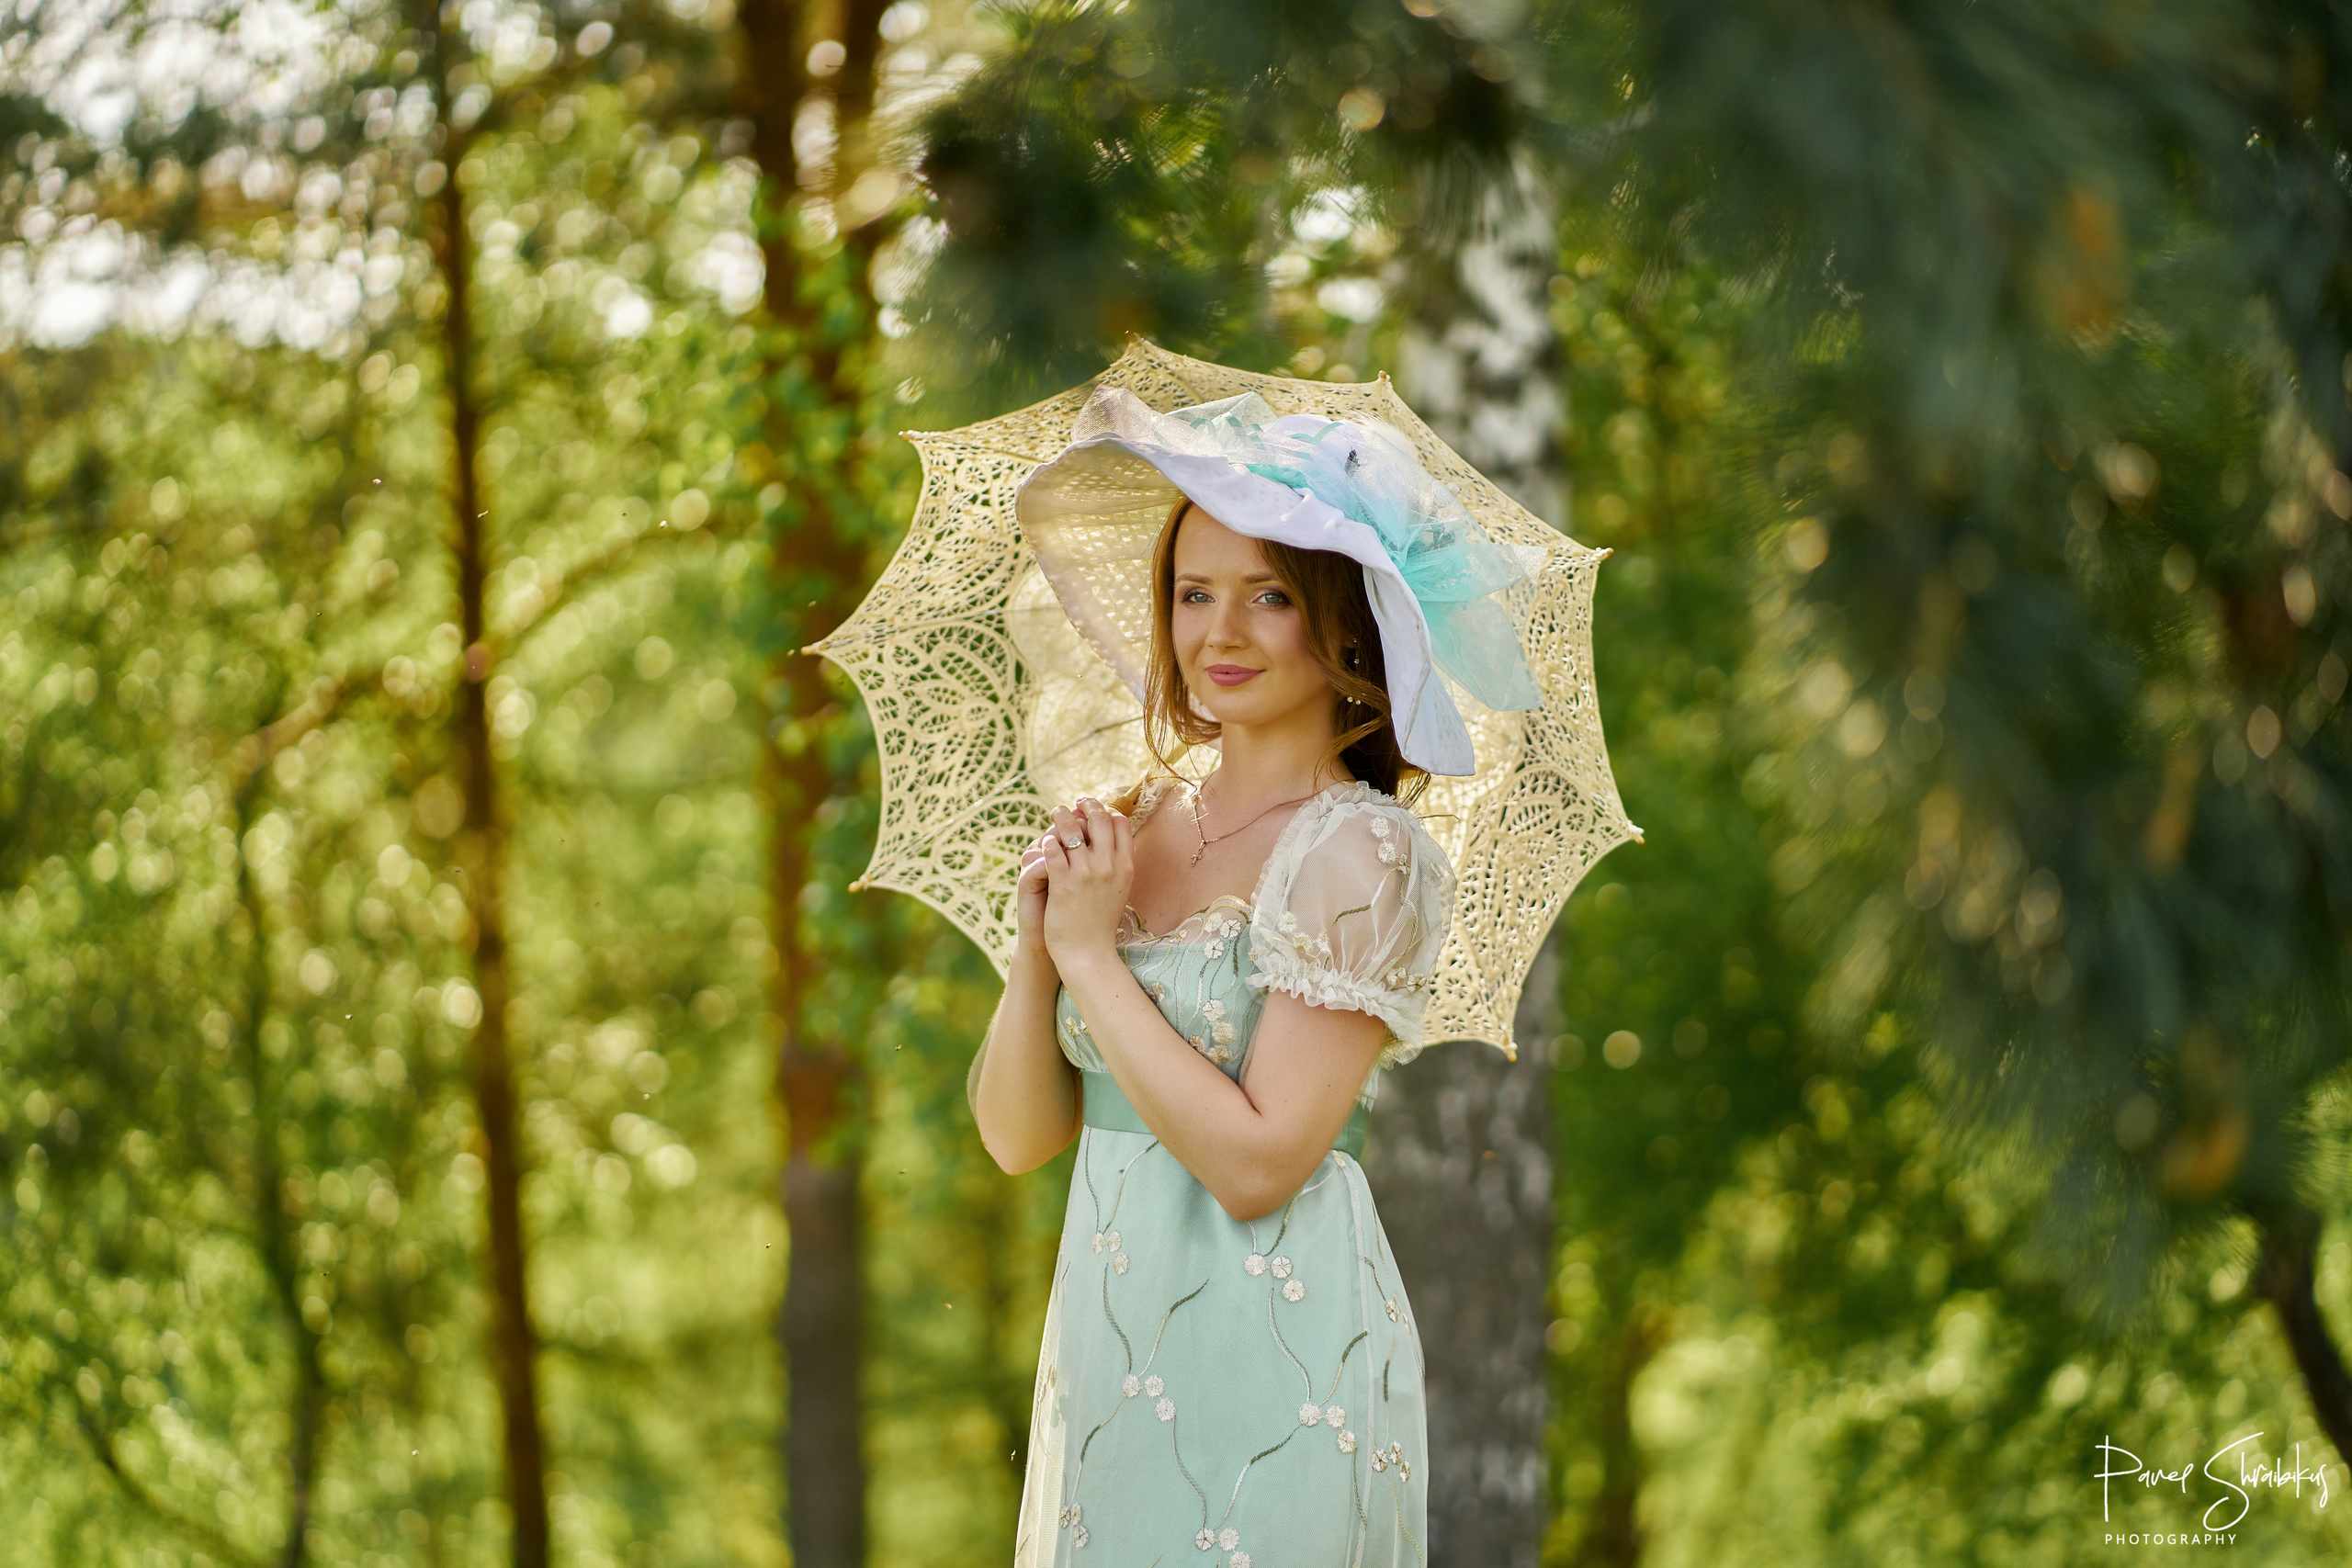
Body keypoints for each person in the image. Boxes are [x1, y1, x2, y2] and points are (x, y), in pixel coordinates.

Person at [973, 388, 1541, 1566]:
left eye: (1267, 595)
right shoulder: (1131, 823)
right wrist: (1040, 949)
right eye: (1193, 594)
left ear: (1345, 624)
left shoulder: (1357, 851)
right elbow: (1020, 1137)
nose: (1217, 632)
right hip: (1111, 1335)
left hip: (1280, 1343)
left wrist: (1092, 957)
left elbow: (1257, 1163)